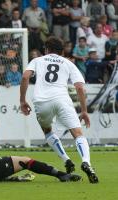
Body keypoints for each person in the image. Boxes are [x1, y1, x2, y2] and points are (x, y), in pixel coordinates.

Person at [19, 36, 99, 184]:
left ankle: (66, 159)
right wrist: (84, 111)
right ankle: (86, 162)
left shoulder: (37, 60)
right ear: (62, 51)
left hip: (41, 102)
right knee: (78, 134)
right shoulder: (68, 63)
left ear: (46, 49)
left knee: (48, 131)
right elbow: (80, 87)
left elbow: (25, 77)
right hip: (62, 100)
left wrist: (23, 100)